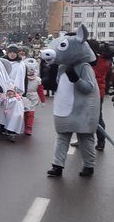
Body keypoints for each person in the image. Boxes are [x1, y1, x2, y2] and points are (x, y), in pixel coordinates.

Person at [42, 26, 100, 177]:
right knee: (62, 136)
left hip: (81, 109)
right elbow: (58, 85)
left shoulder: (84, 67)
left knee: (85, 137)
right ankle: (57, 165)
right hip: (64, 108)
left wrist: (76, 79)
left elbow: (89, 88)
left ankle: (89, 165)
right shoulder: (62, 67)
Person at [22, 58, 45, 136]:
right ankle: (25, 126)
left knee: (31, 113)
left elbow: (40, 91)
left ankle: (29, 127)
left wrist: (43, 100)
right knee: (25, 112)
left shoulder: (38, 80)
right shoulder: (22, 78)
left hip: (33, 97)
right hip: (25, 96)